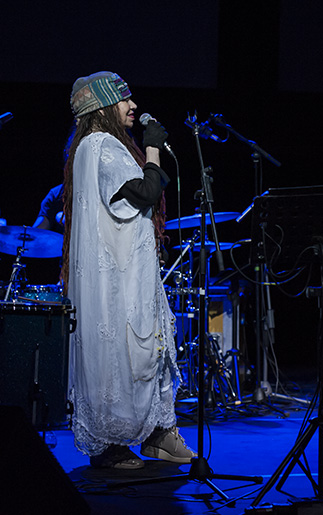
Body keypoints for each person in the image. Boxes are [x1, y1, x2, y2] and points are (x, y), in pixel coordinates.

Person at [62, 71, 195, 469]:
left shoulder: (92, 145)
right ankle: (108, 443)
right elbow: (145, 192)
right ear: (103, 108)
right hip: (116, 273)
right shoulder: (102, 145)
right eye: (123, 100)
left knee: (141, 349)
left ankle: (158, 432)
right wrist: (153, 149)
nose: (133, 105)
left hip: (127, 266)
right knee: (118, 352)